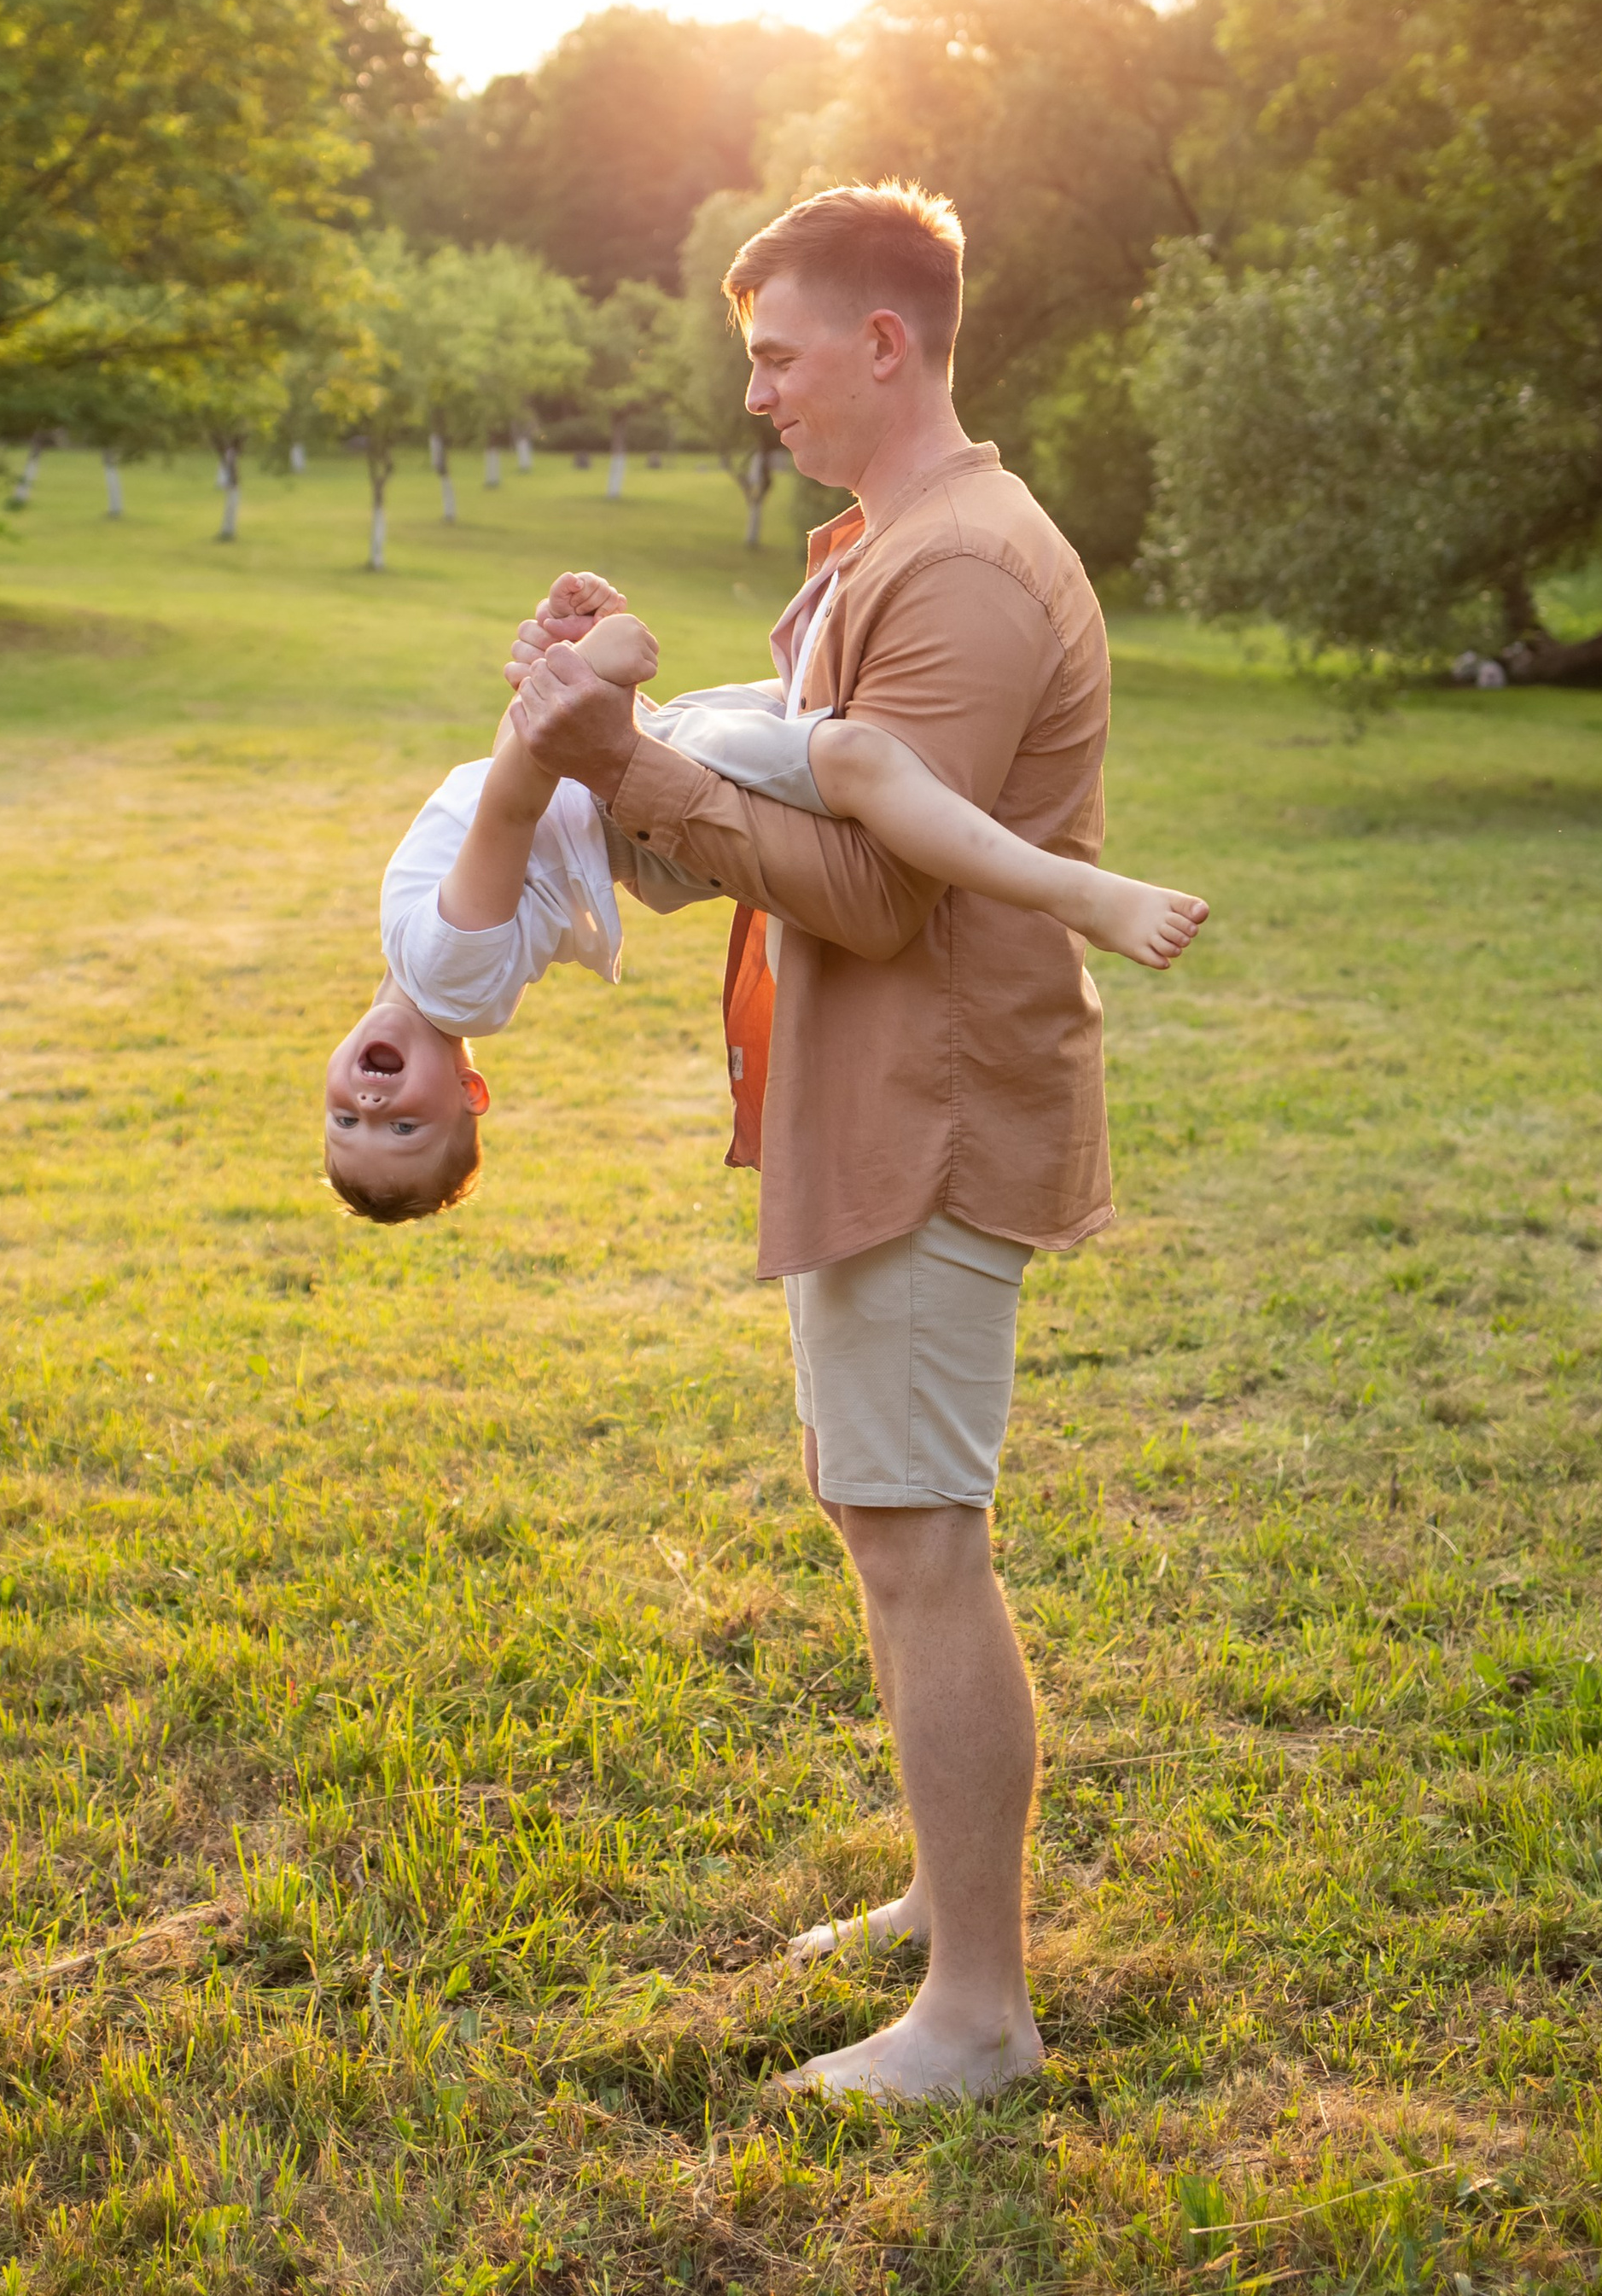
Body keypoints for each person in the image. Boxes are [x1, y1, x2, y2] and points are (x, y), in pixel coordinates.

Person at [505, 177, 1130, 2104]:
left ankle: (975, 2011)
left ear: (882, 341)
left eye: (773, 355)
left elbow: (872, 894)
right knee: (880, 1511)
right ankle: (948, 1905)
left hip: (930, 1099)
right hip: (871, 1088)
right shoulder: (885, 543)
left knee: (919, 1531)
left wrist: (634, 771)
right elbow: (799, 836)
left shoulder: (953, 569)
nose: (755, 392)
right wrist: (633, 762)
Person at [324, 580, 1204, 1222]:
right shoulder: (446, 979)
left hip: (621, 804)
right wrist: (586, 666)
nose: (370, 1106)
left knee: (827, 710)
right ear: (470, 1091)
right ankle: (1078, 894)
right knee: (857, 756)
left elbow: (512, 807)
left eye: (345, 1118)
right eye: (403, 1126)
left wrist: (574, 682)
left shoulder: (424, 962)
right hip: (631, 809)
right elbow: (515, 791)